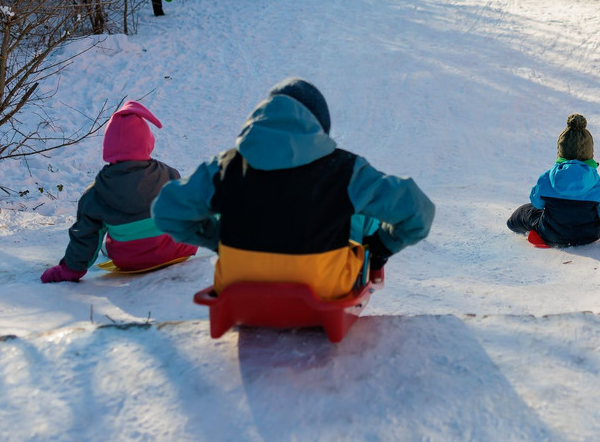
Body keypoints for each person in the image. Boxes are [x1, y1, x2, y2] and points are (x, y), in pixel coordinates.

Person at [151, 78, 435, 300]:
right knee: (358, 223)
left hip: (239, 284)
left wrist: (218, 240)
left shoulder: (223, 167)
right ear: (318, 127)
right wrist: (383, 246)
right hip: (325, 288)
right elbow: (418, 212)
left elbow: (166, 210)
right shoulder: (346, 170)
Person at [41, 101, 198, 283]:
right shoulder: (169, 173)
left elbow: (86, 235)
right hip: (178, 250)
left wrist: (70, 269)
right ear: (147, 142)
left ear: (108, 146)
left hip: (130, 260)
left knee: (103, 243)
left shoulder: (97, 192)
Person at [507, 113, 600, 246]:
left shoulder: (546, 179)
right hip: (589, 236)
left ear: (561, 151)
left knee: (527, 211)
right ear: (589, 153)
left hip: (551, 234)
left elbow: (537, 203)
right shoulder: (599, 185)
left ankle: (511, 224)